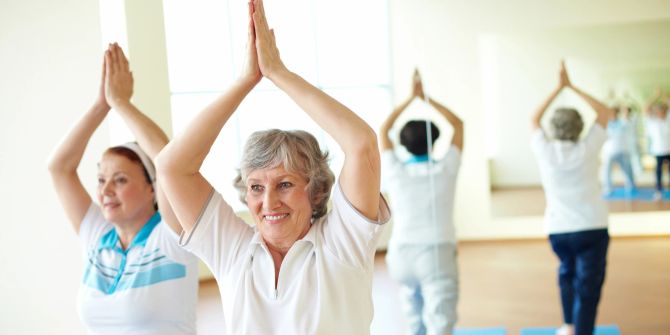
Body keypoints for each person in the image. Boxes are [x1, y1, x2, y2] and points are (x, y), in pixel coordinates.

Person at [155, 1, 390, 334]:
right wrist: (243, 82)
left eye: (285, 184)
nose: (268, 203)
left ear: (318, 189)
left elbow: (362, 144)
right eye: (256, 187)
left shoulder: (342, 241)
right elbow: (171, 166)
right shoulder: (233, 249)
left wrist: (278, 73)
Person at [47, 44, 198, 335]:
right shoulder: (98, 234)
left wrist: (121, 103)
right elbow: (59, 167)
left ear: (152, 187)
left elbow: (166, 160)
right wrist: (101, 104)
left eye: (120, 180)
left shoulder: (171, 235)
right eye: (101, 180)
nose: (105, 191)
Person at [379, 69, 463, 335]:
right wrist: (426, 99)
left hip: (401, 255)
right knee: (440, 322)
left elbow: (384, 129)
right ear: (434, 140)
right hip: (436, 253)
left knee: (415, 319)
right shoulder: (446, 167)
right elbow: (459, 125)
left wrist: (410, 99)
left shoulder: (395, 170)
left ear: (403, 144)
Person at [530, 61, 611, 335]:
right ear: (579, 127)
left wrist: (558, 88)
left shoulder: (545, 151)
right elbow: (604, 111)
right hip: (592, 227)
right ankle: (581, 331)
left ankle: (568, 325)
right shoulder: (589, 146)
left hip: (559, 230)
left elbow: (533, 118)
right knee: (587, 287)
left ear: (553, 128)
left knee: (567, 273)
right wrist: (572, 87)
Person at [601, 104, 637, 195]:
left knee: (628, 171)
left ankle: (631, 187)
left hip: (622, 150)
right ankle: (608, 188)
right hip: (609, 151)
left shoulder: (623, 122)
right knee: (606, 171)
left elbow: (627, 114)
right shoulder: (606, 123)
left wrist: (623, 102)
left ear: (617, 113)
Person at [643, 88, 670, 200]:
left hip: (669, 150)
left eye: (663, 110)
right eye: (659, 110)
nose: (661, 112)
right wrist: (655, 96)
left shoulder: (668, 119)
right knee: (658, 173)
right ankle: (659, 191)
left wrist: (662, 95)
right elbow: (645, 108)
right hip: (658, 151)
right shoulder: (652, 121)